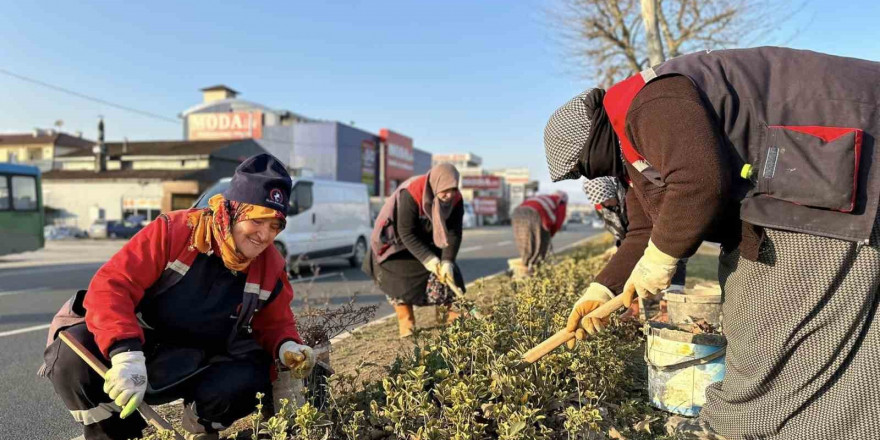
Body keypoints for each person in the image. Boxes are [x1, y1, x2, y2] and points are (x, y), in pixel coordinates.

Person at [545, 47, 880, 439]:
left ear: (594, 140)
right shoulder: (635, 149)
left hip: (835, 164)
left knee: (772, 336)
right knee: (772, 323)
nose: (590, 174)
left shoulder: (649, 104)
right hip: (807, 180)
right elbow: (643, 229)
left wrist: (661, 259)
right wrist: (602, 289)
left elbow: (699, 181)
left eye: (584, 166)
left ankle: (770, 429)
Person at [40, 154, 316, 440]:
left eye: (275, 226)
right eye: (258, 221)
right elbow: (112, 286)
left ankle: (202, 430)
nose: (264, 235)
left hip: (204, 359)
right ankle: (115, 433)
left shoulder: (270, 264)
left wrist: (287, 346)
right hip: (141, 345)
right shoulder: (175, 232)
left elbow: (275, 322)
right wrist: (126, 355)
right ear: (233, 210)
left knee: (255, 372)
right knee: (73, 358)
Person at [363, 163, 466, 338]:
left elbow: (454, 233)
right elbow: (406, 232)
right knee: (398, 280)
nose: (449, 195)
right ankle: (406, 321)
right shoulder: (411, 193)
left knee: (448, 276)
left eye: (453, 189)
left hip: (429, 240)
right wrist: (430, 260)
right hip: (396, 244)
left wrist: (447, 261)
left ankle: (447, 316)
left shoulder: (456, 200)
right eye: (445, 190)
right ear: (435, 184)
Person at [511, 191, 568, 271]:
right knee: (540, 244)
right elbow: (558, 221)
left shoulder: (544, 197)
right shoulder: (561, 201)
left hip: (517, 212)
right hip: (535, 213)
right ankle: (534, 269)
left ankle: (524, 266)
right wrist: (549, 235)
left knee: (524, 241)